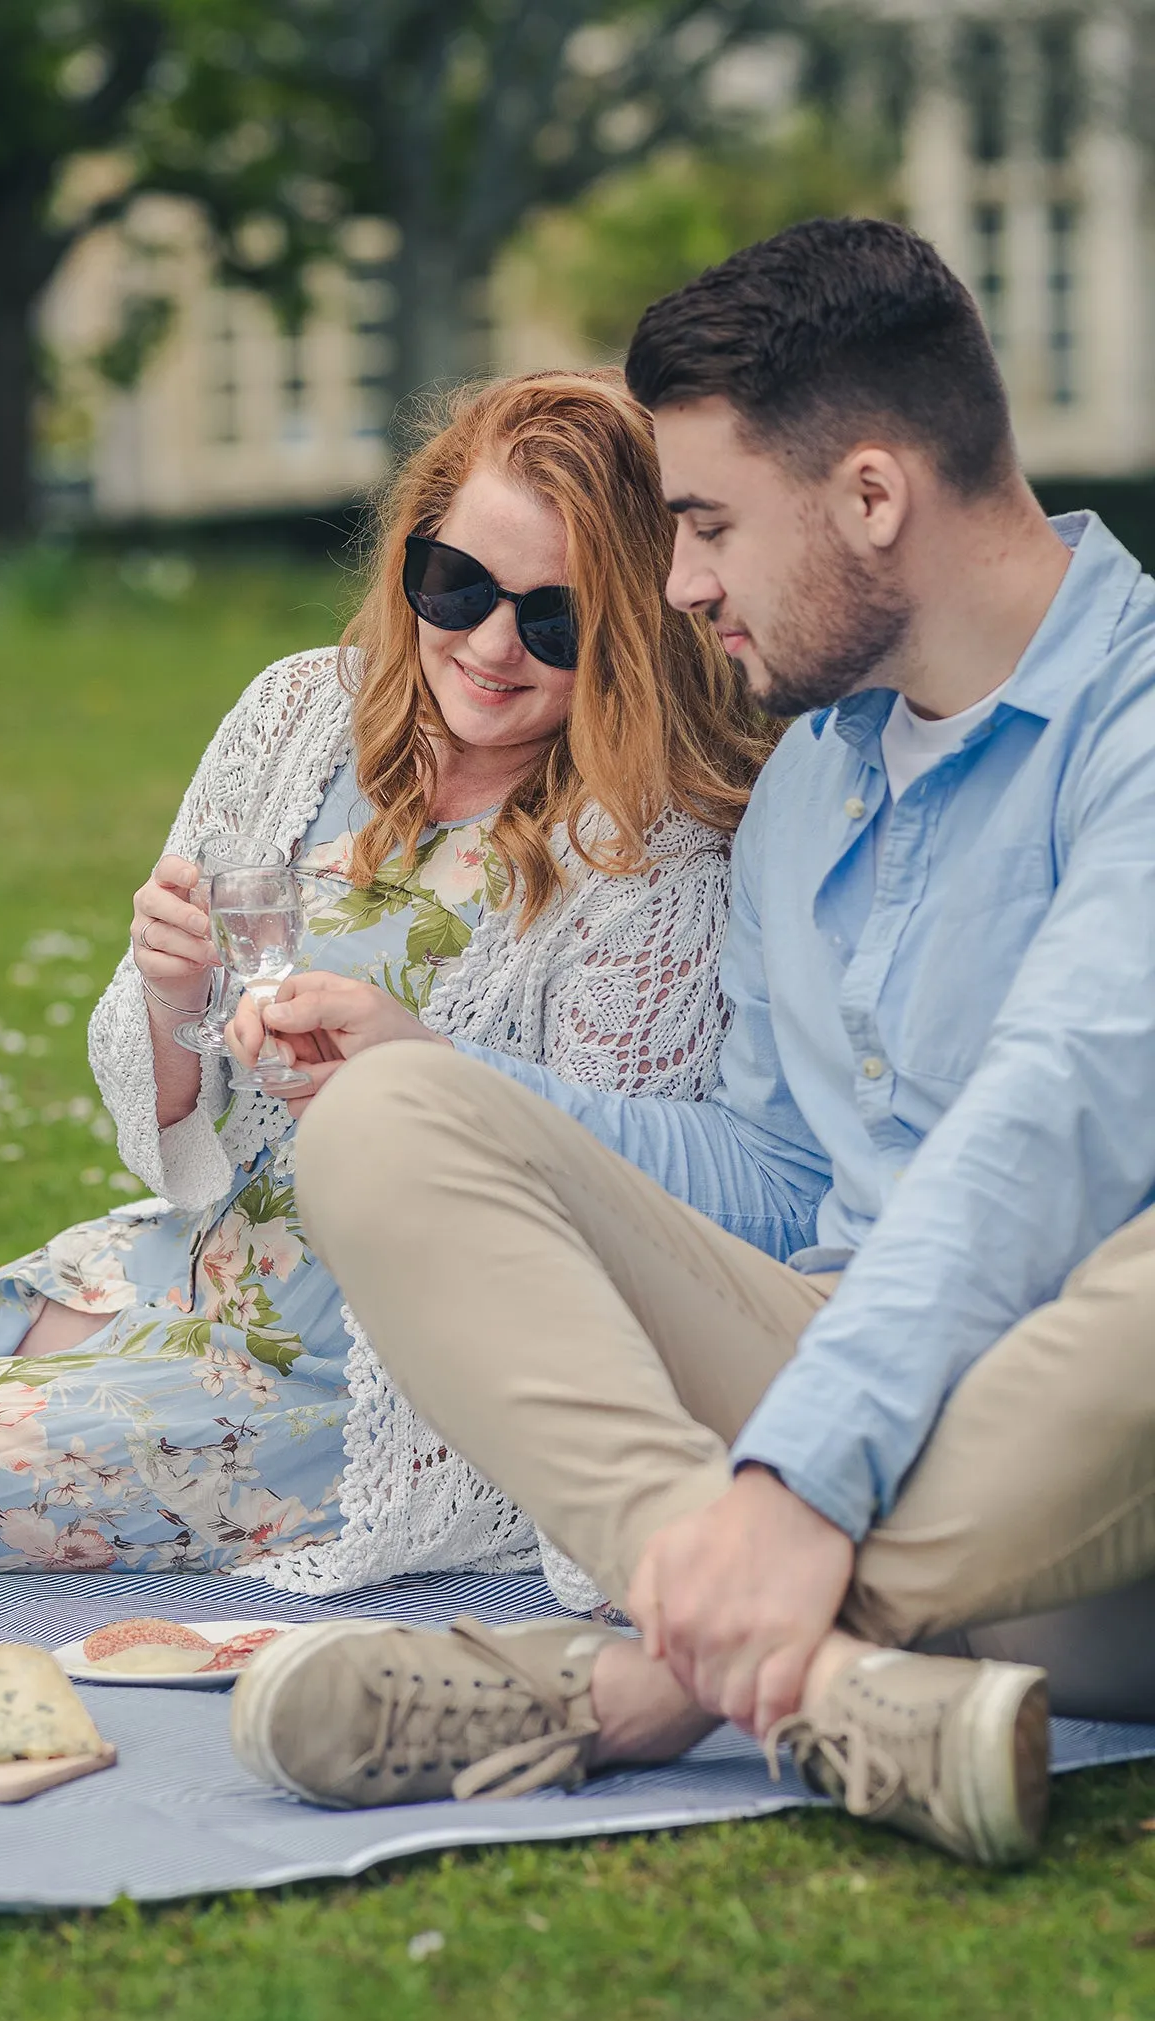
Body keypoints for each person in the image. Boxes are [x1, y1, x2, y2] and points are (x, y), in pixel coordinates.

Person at [236, 217, 1155, 1868]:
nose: (675, 588)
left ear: (870, 495)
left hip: (1087, 1492)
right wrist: (440, 1073)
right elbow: (780, 1167)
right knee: (382, 1122)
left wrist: (796, 1488)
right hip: (850, 1377)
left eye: (707, 524)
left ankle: (646, 1682)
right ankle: (820, 1673)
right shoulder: (811, 777)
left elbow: (1050, 1125)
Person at [0, 369, 769, 1592]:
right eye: (458, 585)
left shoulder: (645, 855)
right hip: (205, 1252)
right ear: (410, 553)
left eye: (555, 619)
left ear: (635, 631)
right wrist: (171, 989)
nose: (492, 645)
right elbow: (166, 1089)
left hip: (387, 1368)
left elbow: (613, 1212)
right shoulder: (294, 714)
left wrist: (412, 1073)